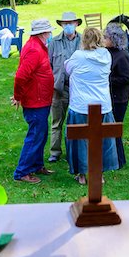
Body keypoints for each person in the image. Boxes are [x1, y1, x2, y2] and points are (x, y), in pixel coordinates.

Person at [64, 27, 118, 185]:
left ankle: (82, 174)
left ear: (84, 40)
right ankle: (98, 174)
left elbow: (68, 69)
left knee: (81, 140)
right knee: (100, 140)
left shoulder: (78, 56)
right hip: (102, 105)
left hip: (81, 105)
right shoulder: (106, 55)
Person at [11, 19, 55, 184]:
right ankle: (22, 171)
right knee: (35, 135)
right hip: (36, 102)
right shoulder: (35, 49)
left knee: (41, 135)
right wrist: (18, 96)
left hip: (41, 99)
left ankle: (37, 165)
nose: (50, 34)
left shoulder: (37, 46)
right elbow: (21, 76)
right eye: (49, 32)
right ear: (43, 33)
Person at [47, 11, 82, 163]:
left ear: (76, 24)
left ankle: (72, 152)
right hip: (58, 89)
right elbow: (48, 66)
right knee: (56, 122)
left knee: (75, 123)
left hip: (78, 89)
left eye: (71, 23)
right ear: (61, 25)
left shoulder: (84, 41)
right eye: (65, 23)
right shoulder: (54, 42)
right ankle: (55, 152)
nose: (68, 26)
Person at [103, 23, 129, 169]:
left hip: (119, 99)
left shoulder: (122, 56)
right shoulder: (106, 52)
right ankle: (112, 159)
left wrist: (108, 80)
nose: (103, 39)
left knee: (115, 129)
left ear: (113, 39)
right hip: (110, 97)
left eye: (106, 37)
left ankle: (119, 160)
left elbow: (127, 78)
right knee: (109, 129)